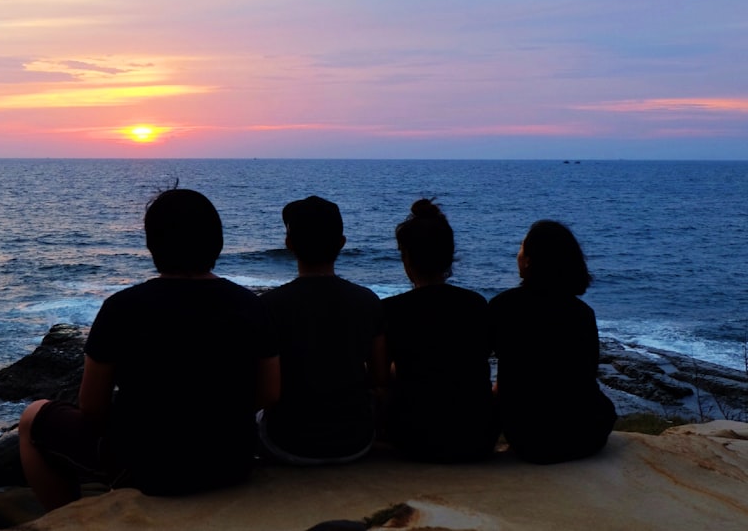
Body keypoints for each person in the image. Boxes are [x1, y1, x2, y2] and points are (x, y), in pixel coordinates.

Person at [19, 188, 280, 510]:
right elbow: (269, 393)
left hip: (147, 469)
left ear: (152, 243)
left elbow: (92, 408)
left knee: (33, 417)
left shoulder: (121, 308)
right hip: (232, 462)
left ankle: (66, 516)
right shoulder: (250, 306)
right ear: (216, 241)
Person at [257, 195, 387, 464]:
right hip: (355, 441)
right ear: (341, 243)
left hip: (288, 443)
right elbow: (379, 376)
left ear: (289, 244)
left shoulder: (268, 306)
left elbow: (267, 392)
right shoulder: (367, 301)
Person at [489, 219, 617, 464]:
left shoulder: (503, 307)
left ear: (529, 260)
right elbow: (587, 373)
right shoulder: (582, 313)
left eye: (521, 247)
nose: (518, 254)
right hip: (587, 434)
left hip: (531, 438)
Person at [382, 199, 498, 462]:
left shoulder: (391, 309)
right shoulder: (476, 304)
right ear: (449, 256)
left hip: (413, 437)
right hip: (478, 435)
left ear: (407, 259)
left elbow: (381, 376)